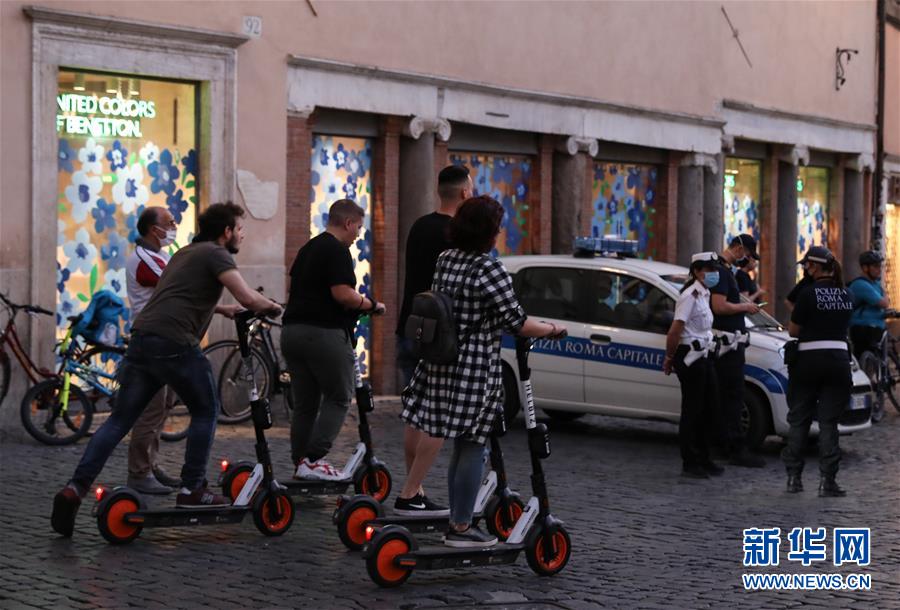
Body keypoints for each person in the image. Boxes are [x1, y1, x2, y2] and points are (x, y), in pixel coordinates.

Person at [52, 202, 281, 536]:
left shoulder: (184, 253)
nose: (242, 235)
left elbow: (180, 295)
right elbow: (248, 297)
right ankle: (193, 489)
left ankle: (75, 487)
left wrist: (221, 309)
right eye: (240, 229)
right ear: (226, 231)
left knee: (119, 421)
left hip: (143, 339)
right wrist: (274, 308)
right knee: (206, 409)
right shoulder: (217, 254)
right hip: (174, 342)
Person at [401, 195, 566, 548]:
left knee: (460, 444)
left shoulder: (446, 259)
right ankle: (460, 527)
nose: (499, 233)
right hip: (473, 369)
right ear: (488, 232)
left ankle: (456, 518)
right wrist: (552, 329)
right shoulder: (489, 269)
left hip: (441, 362)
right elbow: (517, 321)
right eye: (497, 227)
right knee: (471, 445)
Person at [282, 199, 385, 482]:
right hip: (324, 333)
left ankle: (301, 462)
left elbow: (293, 288)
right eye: (358, 228)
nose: (358, 235)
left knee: (305, 403)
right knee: (339, 396)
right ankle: (313, 459)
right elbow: (342, 294)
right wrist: (371, 304)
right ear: (348, 223)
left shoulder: (308, 248)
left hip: (292, 332)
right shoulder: (337, 250)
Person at [394, 165, 473, 516]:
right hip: (440, 338)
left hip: (410, 327)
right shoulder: (457, 235)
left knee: (415, 414)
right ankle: (411, 492)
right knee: (437, 415)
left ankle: (416, 489)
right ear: (465, 193)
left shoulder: (419, 226)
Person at [782, 246, 854, 497]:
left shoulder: (808, 294)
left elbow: (793, 331)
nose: (805, 269)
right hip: (838, 360)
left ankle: (794, 479)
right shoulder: (847, 294)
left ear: (813, 266)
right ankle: (827, 482)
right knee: (828, 423)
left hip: (808, 361)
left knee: (799, 419)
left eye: (806, 265)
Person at [122, 207, 178, 494]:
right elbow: (175, 287)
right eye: (170, 222)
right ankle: (139, 472)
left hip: (167, 339)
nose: (174, 226)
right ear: (154, 229)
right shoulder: (143, 259)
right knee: (151, 409)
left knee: (163, 406)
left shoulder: (160, 256)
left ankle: (151, 464)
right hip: (152, 340)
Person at [663, 252, 724, 479]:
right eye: (709, 270)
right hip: (690, 356)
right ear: (697, 271)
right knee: (693, 410)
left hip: (704, 355)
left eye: (715, 269)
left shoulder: (704, 293)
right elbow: (675, 330)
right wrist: (670, 357)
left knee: (710, 408)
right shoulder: (689, 296)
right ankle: (690, 462)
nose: (714, 274)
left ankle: (704, 457)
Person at [710, 234, 763, 467]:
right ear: (739, 249)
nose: (747, 259)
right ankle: (733, 448)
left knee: (728, 396)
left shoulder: (724, 271)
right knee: (731, 396)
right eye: (748, 254)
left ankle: (724, 445)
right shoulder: (721, 272)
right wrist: (745, 307)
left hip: (730, 344)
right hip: (727, 346)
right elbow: (719, 306)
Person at [847, 250, 891, 360]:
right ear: (865, 268)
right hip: (864, 328)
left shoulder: (874, 284)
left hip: (876, 327)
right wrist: (883, 292)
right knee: (867, 358)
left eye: (880, 266)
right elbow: (884, 303)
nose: (879, 269)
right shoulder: (860, 284)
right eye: (875, 266)